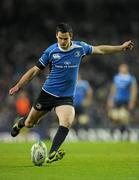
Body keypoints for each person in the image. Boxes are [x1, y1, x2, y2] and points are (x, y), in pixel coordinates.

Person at [9, 22, 134, 163]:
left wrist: (121, 47)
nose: (63, 41)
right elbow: (34, 71)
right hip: (48, 93)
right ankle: (20, 124)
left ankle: (52, 153)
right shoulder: (51, 51)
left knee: (67, 121)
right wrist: (19, 85)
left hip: (66, 97)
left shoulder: (79, 48)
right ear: (56, 36)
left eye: (65, 38)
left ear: (71, 37)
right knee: (31, 122)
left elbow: (100, 50)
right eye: (60, 38)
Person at [107, 63, 138, 140]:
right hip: (117, 100)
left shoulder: (131, 78)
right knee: (115, 117)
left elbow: (134, 90)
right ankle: (114, 134)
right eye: (120, 68)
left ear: (126, 69)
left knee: (124, 118)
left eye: (123, 68)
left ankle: (125, 134)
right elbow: (113, 89)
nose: (121, 69)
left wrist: (132, 101)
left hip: (126, 100)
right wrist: (110, 99)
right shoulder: (116, 77)